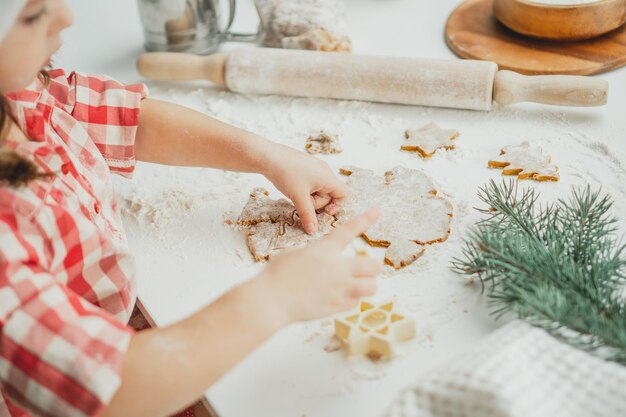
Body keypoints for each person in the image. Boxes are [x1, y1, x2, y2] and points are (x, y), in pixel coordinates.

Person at [0, 1, 383, 416]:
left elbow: (123, 118)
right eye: (30, 15)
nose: (67, 17)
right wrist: (278, 297)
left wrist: (264, 155)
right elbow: (111, 393)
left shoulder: (18, 90)